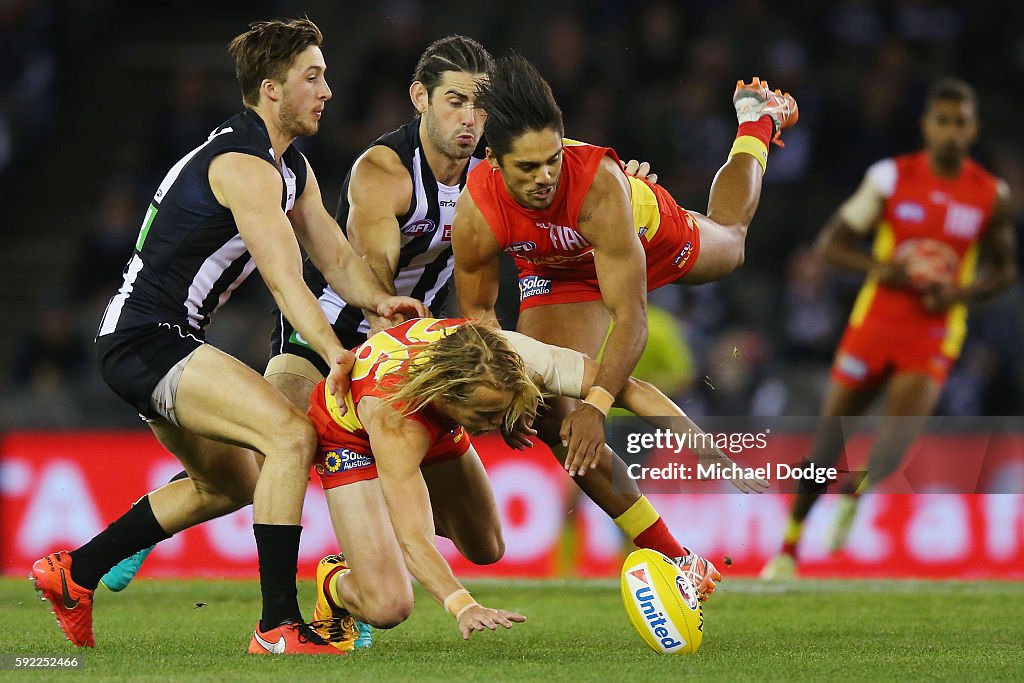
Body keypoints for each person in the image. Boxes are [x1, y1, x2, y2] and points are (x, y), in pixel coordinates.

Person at [98, 37, 737, 637]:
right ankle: (178, 528)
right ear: (419, 99)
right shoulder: (384, 169)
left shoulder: (499, 169)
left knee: (486, 543)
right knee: (265, 462)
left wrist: (619, 178)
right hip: (333, 340)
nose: (468, 118)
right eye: (454, 101)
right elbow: (370, 268)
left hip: (423, 353)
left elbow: (557, 172)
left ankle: (344, 574)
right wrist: (387, 336)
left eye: (478, 104)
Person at [29, 18, 427, 654]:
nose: (327, 90)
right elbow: (287, 280)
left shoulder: (286, 166)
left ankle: (75, 573)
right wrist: (334, 353)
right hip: (148, 338)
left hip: (148, 340)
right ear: (271, 89)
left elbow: (336, 260)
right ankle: (276, 627)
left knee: (234, 485)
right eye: (312, 77)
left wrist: (381, 300)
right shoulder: (245, 168)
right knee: (291, 435)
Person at [452, 55, 790, 558]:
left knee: (733, 243)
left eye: (553, 160)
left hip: (644, 239)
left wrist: (598, 405)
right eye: (527, 167)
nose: (545, 177)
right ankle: (673, 555)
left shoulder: (598, 184)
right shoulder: (477, 210)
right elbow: (480, 319)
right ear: (494, 161)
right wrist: (510, 390)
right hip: (555, 271)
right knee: (551, 415)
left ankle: (756, 123)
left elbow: (631, 317)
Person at [300, 317, 732, 646]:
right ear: (450, 397)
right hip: (349, 434)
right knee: (389, 606)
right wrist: (462, 605)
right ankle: (336, 582)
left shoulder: (511, 354)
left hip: (435, 423)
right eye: (487, 416)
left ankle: (374, 530)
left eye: (502, 411)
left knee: (487, 547)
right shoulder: (398, 420)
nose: (496, 425)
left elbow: (630, 389)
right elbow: (413, 536)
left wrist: (703, 445)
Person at [760, 79, 1016, 579]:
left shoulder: (990, 195)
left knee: (894, 447)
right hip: (876, 322)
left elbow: (1005, 269)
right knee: (828, 443)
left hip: (935, 331)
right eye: (941, 120)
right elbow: (831, 244)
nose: (949, 131)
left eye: (960, 121)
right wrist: (888, 270)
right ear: (926, 125)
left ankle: (857, 494)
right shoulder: (890, 179)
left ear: (973, 129)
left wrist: (956, 295)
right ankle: (789, 549)